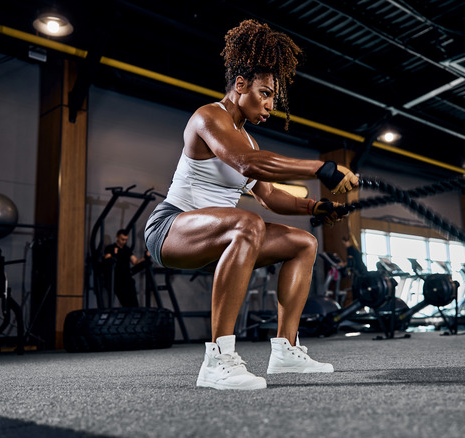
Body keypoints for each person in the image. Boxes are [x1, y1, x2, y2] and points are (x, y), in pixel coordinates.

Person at [144, 19, 358, 390]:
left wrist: (315, 209)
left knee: (303, 244)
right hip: (171, 228)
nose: (270, 105)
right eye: (264, 93)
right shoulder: (209, 117)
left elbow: (270, 195)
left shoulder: (250, 141)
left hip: (217, 233)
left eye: (273, 96)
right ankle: (217, 358)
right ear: (240, 85)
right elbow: (247, 165)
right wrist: (320, 168)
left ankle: (285, 351)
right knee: (247, 223)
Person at [104, 229, 148, 307]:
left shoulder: (127, 249)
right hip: (117, 279)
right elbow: (107, 260)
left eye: (126, 240)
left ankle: (134, 313)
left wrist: (146, 257)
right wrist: (114, 255)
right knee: (125, 301)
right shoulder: (110, 248)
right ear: (117, 237)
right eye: (122, 239)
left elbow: (135, 261)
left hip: (127, 278)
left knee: (134, 301)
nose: (124, 241)